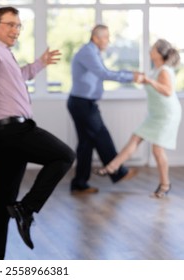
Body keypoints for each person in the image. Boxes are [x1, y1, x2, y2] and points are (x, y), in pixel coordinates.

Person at [0, 6, 75, 260]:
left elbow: (17, 76)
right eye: (10, 25)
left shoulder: (4, 53)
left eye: (18, 26)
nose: (15, 31)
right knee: (64, 156)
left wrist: (40, 64)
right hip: (12, 131)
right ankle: (26, 209)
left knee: (2, 202)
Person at [95, 39, 182, 198]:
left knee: (157, 150)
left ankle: (165, 185)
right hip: (156, 114)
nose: (150, 50)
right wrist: (141, 78)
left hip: (167, 115)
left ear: (159, 53)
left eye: (153, 48)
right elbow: (153, 85)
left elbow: (168, 91)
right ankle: (112, 167)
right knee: (135, 137)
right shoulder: (156, 69)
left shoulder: (164, 70)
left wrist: (148, 80)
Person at [67, 24, 141, 195]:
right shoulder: (88, 52)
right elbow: (104, 74)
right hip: (82, 103)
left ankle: (79, 184)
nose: (108, 41)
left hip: (83, 102)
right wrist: (131, 76)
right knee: (101, 134)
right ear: (96, 38)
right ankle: (118, 171)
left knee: (86, 144)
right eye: (106, 37)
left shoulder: (92, 52)